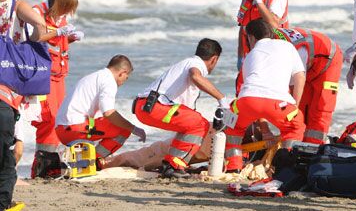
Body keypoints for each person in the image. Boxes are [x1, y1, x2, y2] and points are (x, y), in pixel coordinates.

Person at [134, 38, 229, 178]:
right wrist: (222, 99)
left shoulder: (184, 64)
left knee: (190, 123)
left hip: (143, 106)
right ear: (214, 59)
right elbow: (195, 75)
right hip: (154, 106)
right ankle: (175, 165)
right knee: (200, 124)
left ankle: (171, 165)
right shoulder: (196, 64)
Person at [224, 19, 306, 173]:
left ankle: (233, 167)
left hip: (247, 102)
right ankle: (286, 167)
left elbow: (255, 94)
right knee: (295, 127)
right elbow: (300, 78)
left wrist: (265, 129)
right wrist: (295, 106)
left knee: (233, 127)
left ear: (251, 37)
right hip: (279, 104)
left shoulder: (250, 55)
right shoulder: (288, 46)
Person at [0, 0, 46, 211]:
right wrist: (34, 44)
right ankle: (3, 196)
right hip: (11, 78)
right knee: (15, 144)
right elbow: (39, 25)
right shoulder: (17, 5)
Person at [29, 0, 84, 178]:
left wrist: (70, 38)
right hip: (43, 75)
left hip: (60, 76)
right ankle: (41, 166)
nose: (68, 13)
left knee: (59, 119)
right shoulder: (37, 12)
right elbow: (35, 38)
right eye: (67, 8)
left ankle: (52, 165)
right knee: (47, 118)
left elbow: (59, 43)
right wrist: (58, 32)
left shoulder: (62, 18)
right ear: (59, 3)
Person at [55, 55, 146, 167]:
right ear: (122, 72)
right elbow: (109, 113)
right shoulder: (109, 81)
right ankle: (93, 161)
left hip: (62, 129)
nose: (124, 82)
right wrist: (134, 128)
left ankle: (91, 159)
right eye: (126, 78)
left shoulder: (94, 76)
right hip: (74, 129)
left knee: (108, 123)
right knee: (123, 129)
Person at [274, 27, 343, 144]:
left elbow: (292, 88)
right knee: (303, 110)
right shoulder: (265, 44)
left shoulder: (292, 52)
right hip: (309, 64)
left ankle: (313, 149)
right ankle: (297, 145)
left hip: (329, 62)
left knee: (320, 109)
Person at [236, 0, 289, 69]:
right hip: (251, 57)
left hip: (272, 56)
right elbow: (242, 27)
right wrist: (240, 57)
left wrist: (259, 2)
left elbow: (274, 25)